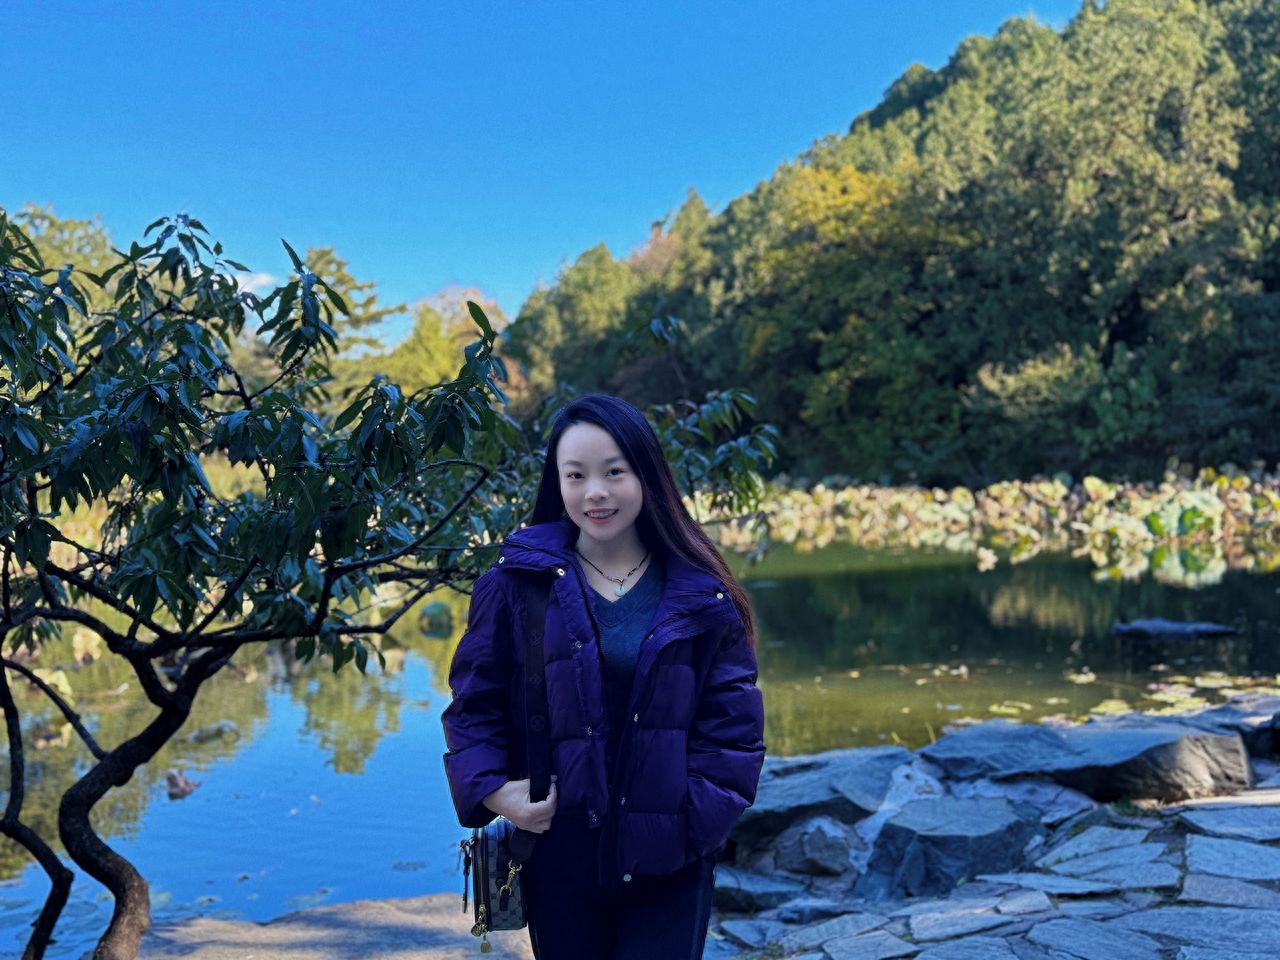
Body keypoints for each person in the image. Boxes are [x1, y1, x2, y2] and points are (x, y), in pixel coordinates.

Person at [441, 393, 766, 960]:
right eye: (576, 475)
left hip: (670, 861)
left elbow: (733, 729)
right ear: (558, 484)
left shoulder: (701, 592)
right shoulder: (516, 585)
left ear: (646, 474)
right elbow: (474, 705)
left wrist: (695, 825)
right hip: (560, 856)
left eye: (614, 472)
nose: (596, 492)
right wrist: (497, 792)